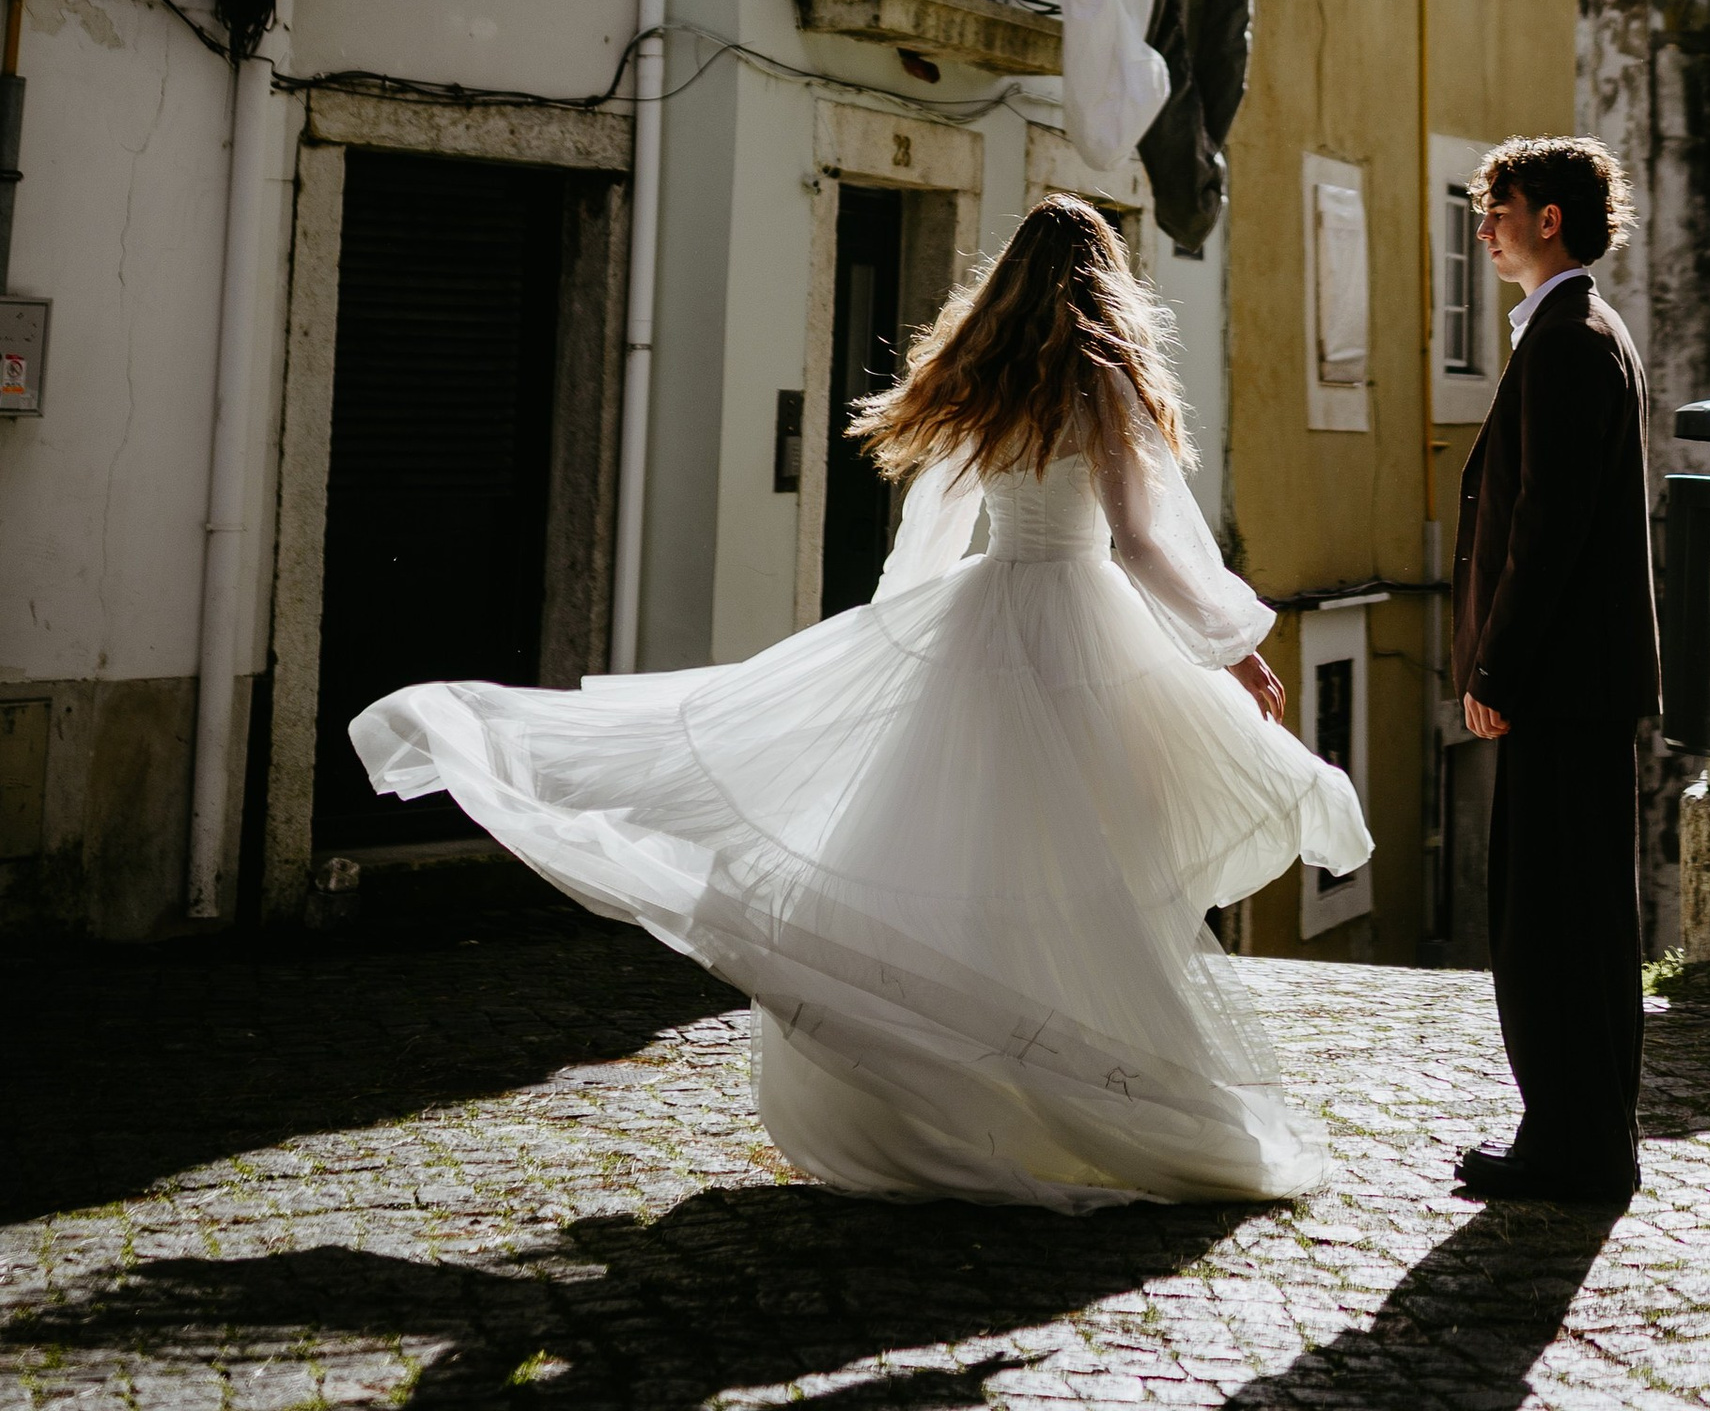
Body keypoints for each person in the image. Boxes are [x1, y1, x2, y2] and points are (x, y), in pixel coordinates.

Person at [352, 194, 1369, 1208]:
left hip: (985, 621)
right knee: (1089, 864)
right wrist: (1232, 647)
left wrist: (896, 640)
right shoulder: (1102, 376)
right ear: (1107, 279)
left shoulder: (986, 372)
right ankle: (1091, 1089)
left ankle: (963, 1102)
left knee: (979, 857)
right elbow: (1142, 542)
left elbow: (935, 526)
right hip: (1080, 629)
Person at [1449, 137, 1658, 1208]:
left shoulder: (1572, 338)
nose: (1484, 226)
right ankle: (1582, 1134)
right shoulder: (1573, 330)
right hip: (1578, 684)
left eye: (1502, 207)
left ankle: (1574, 1144)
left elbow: (1548, 527)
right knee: (1575, 916)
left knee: (1554, 921)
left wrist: (1497, 667)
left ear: (1551, 220)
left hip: (1561, 686)